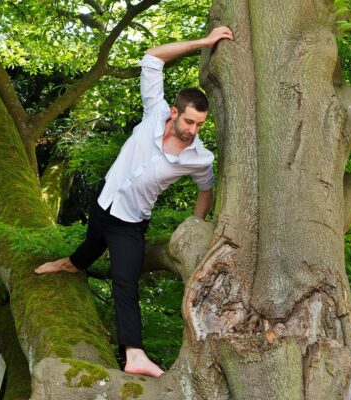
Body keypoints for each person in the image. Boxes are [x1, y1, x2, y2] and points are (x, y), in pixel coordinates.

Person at [35, 26, 234, 378]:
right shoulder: (153, 112)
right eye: (189, 121)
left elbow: (206, 189)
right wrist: (203, 43)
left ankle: (134, 354)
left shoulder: (199, 158)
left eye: (200, 124)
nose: (193, 130)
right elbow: (153, 57)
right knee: (92, 242)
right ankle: (70, 264)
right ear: (174, 112)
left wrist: (196, 223)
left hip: (130, 224)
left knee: (124, 282)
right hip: (104, 202)